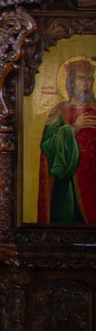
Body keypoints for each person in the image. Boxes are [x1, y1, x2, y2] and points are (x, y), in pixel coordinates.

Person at [37, 59, 96, 222]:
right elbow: (47, 147)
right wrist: (73, 129)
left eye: (89, 79)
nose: (86, 84)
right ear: (70, 82)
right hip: (68, 187)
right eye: (81, 78)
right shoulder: (59, 112)